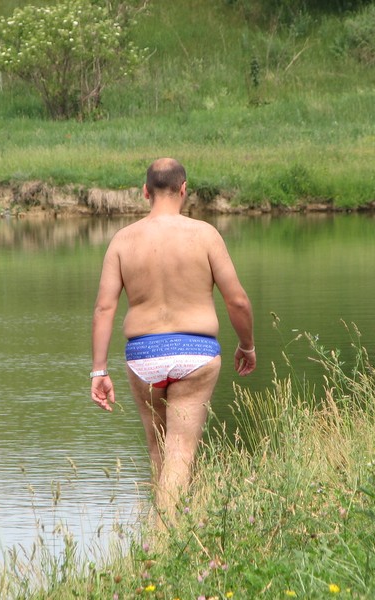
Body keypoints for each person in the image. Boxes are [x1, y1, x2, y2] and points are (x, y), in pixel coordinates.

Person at [90, 157, 256, 519]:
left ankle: (168, 529)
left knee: (159, 451)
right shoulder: (205, 235)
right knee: (181, 452)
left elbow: (104, 308)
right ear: (184, 190)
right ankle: (168, 534)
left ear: (145, 192)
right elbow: (238, 301)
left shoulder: (122, 241)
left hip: (143, 356)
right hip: (195, 353)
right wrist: (247, 345)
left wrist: (99, 370)